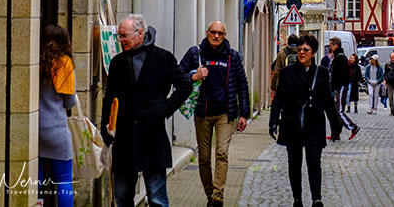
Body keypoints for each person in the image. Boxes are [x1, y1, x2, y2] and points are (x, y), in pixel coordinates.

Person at [100, 14, 192, 207]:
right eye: (119, 36)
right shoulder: (118, 62)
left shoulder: (163, 58)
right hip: (124, 137)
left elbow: (185, 85)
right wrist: (105, 128)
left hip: (152, 135)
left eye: (124, 35)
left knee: (157, 197)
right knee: (122, 196)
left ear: (140, 33)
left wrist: (164, 108)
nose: (121, 40)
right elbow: (109, 98)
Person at [179, 21, 250, 207]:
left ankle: (218, 195)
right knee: (203, 157)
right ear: (207, 32)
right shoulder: (196, 53)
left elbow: (242, 85)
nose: (216, 36)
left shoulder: (232, 57)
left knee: (221, 153)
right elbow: (177, 75)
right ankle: (210, 193)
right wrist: (193, 76)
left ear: (225, 35)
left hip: (225, 113)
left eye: (220, 33)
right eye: (213, 32)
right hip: (202, 113)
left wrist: (244, 113)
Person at [269, 34, 342, 207]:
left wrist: (335, 125)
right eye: (300, 49)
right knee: (294, 163)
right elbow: (279, 98)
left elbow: (327, 101)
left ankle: (317, 197)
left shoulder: (322, 73)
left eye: (306, 50)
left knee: (314, 161)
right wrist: (273, 120)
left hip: (314, 123)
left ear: (314, 52)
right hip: (292, 122)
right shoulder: (287, 73)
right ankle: (297, 198)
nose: (302, 53)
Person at [38, 24, 78, 207]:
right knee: (63, 179)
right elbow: (69, 102)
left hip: (35, 128)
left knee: (35, 179)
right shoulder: (65, 64)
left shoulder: (36, 63)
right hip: (56, 129)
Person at [325, 37, 360, 140]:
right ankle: (336, 132)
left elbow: (340, 75)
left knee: (339, 111)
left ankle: (353, 126)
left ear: (336, 45)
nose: (330, 47)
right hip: (338, 87)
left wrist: (335, 86)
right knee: (336, 111)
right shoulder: (338, 57)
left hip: (340, 87)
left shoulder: (340, 58)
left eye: (331, 45)